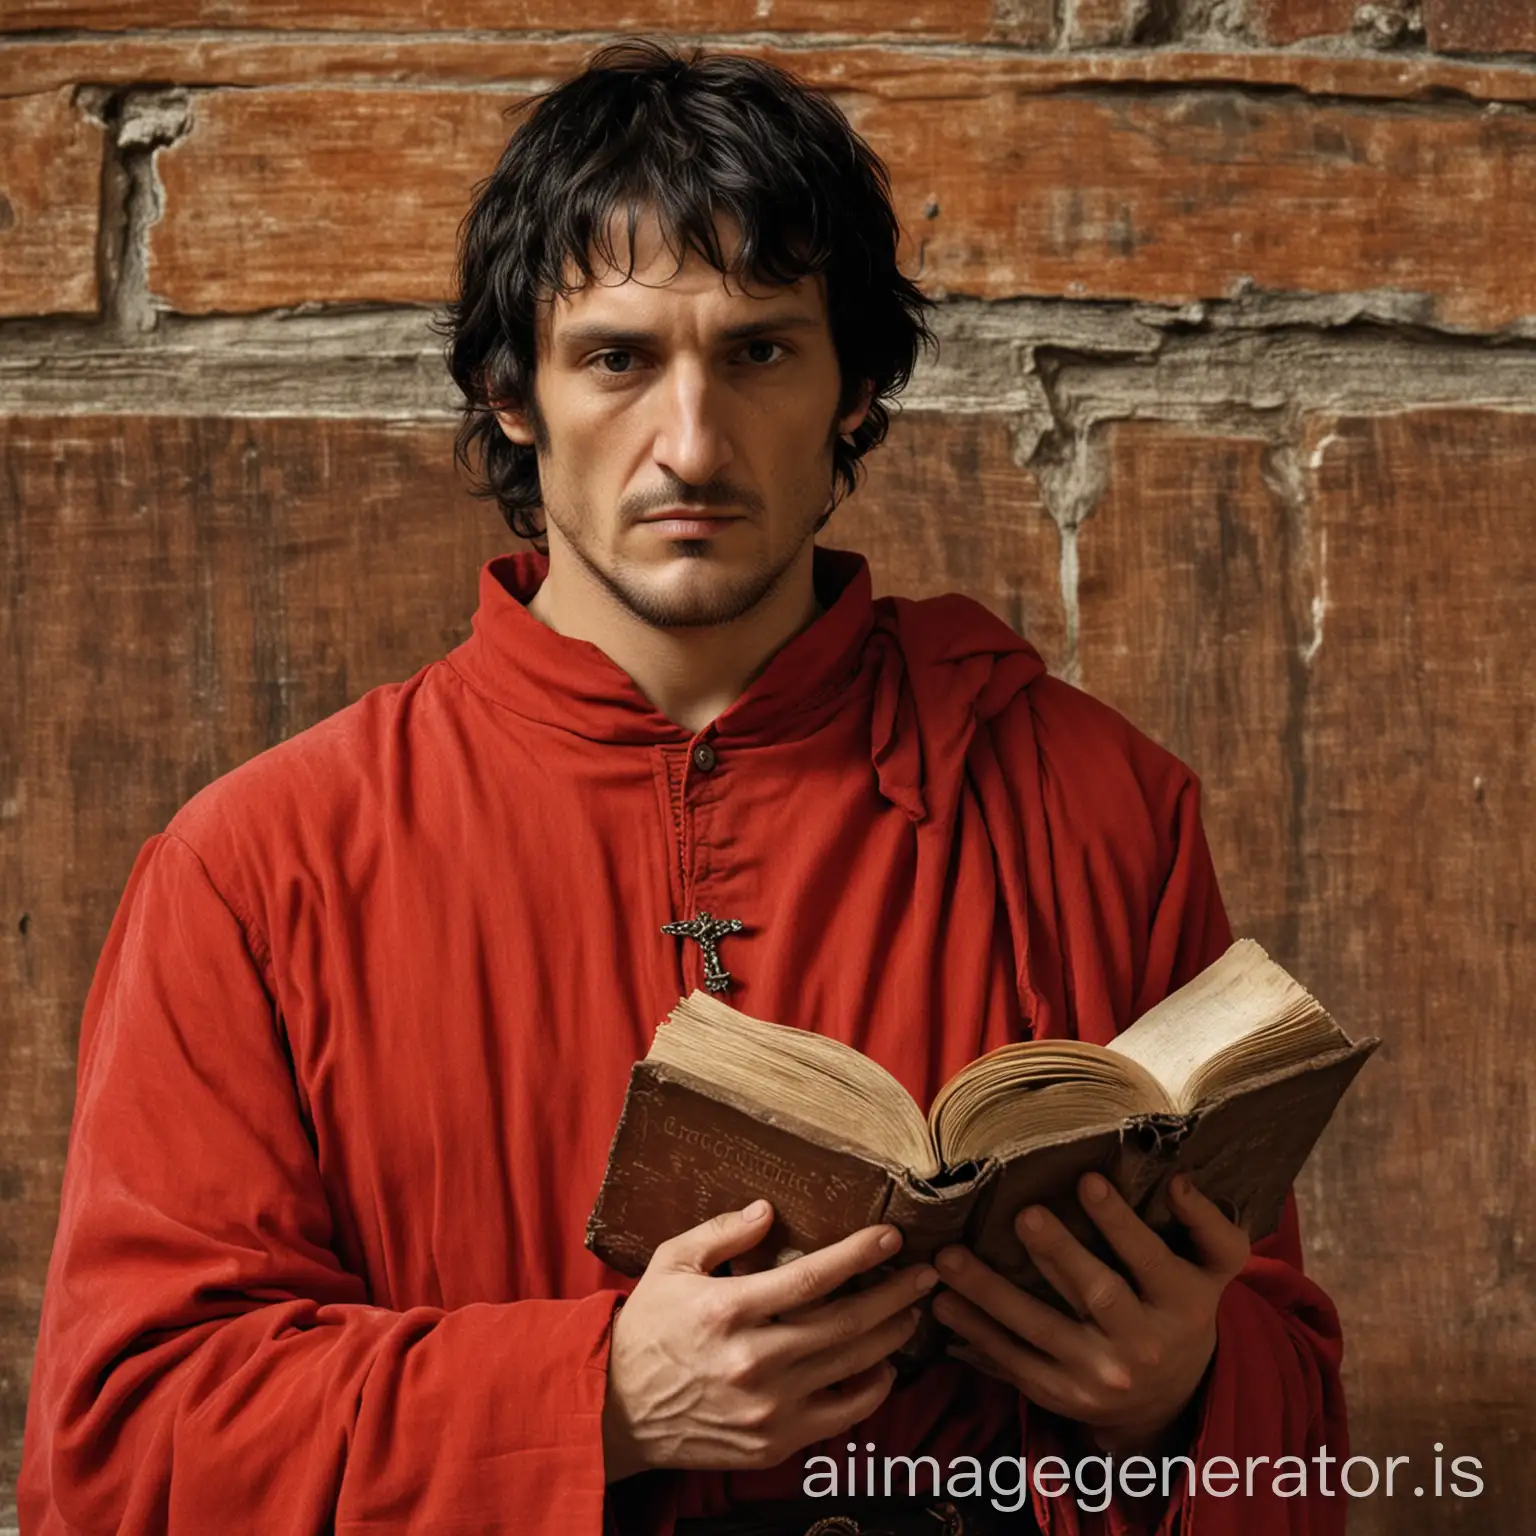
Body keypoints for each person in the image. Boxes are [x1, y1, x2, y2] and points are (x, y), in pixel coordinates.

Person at [19, 38, 1348, 1536]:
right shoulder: (257, 871)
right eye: (619, 358)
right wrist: (590, 1401)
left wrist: (1177, 1398)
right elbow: (122, 1457)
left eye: (763, 351)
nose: (693, 443)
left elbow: (1301, 1443)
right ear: (509, 387)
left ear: (857, 391)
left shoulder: (1100, 807)